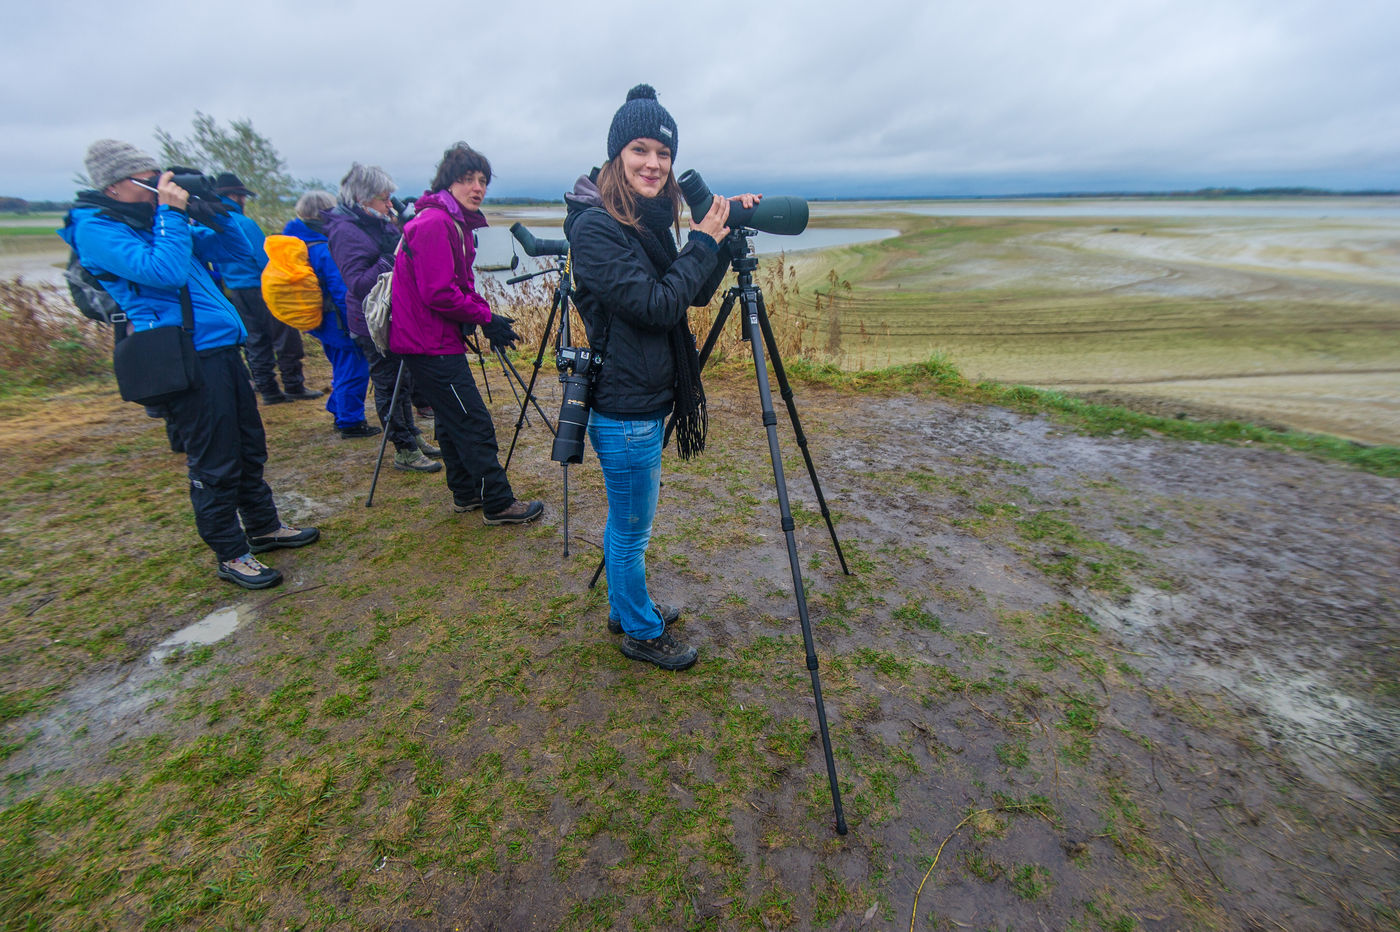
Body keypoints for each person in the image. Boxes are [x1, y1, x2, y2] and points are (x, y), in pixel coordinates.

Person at [61, 139, 319, 589]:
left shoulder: (156, 221)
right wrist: (172, 215)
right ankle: (231, 553)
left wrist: (215, 212)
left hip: (221, 349)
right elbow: (164, 272)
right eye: (148, 180)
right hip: (184, 357)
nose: (158, 187)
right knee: (214, 458)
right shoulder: (98, 229)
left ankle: (263, 526)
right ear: (117, 184)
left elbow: (242, 255)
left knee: (247, 444)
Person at [564, 85, 758, 670]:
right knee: (631, 529)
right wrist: (699, 241)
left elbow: (689, 292)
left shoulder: (641, 218)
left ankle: (628, 608)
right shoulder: (594, 228)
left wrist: (717, 238)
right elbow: (654, 304)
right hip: (623, 406)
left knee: (628, 521)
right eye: (640, 150)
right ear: (616, 154)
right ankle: (641, 632)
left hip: (642, 395)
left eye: (664, 154)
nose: (654, 164)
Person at [389, 143, 544, 524]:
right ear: (448, 182)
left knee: (451, 417)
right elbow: (439, 292)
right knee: (473, 419)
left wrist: (486, 314)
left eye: (482, 181)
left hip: (432, 339)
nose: (477, 187)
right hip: (429, 343)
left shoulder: (452, 223)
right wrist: (483, 317)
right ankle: (498, 502)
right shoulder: (435, 224)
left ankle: (465, 493)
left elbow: (459, 284)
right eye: (467, 179)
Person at [324, 164, 439, 472]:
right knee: (388, 383)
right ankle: (403, 449)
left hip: (394, 315)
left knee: (405, 380)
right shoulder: (345, 230)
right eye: (383, 198)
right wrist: (395, 254)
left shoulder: (375, 223)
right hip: (371, 321)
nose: (390, 204)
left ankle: (412, 436)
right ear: (362, 198)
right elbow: (360, 284)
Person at [210, 172, 322, 405]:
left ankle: (268, 389)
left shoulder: (211, 222)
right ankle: (293, 385)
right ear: (234, 195)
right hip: (261, 287)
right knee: (285, 336)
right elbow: (266, 260)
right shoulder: (241, 223)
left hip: (235, 290)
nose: (244, 200)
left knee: (255, 339)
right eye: (242, 196)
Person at [280, 191, 376, 438]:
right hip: (338, 321)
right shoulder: (324, 247)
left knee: (341, 366)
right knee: (354, 368)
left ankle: (338, 408)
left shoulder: (298, 242)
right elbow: (342, 289)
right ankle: (350, 422)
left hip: (322, 320)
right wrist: (357, 324)